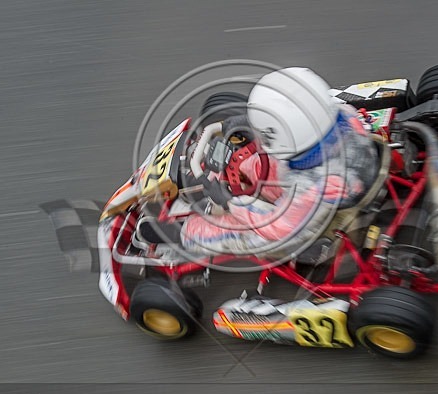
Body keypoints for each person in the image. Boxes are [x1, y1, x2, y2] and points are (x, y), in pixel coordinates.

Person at [143, 67, 380, 260]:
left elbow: (276, 227)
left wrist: (230, 202)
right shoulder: (342, 114)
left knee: (235, 233)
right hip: (332, 174)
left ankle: (186, 233)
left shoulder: (314, 187)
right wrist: (250, 123)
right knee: (260, 162)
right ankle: (222, 180)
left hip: (302, 229)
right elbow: (292, 125)